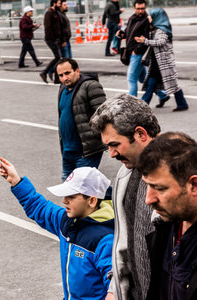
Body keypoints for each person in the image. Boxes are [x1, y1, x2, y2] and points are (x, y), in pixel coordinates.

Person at [0, 159, 114, 300]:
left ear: (92, 200)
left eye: (71, 196)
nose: (64, 200)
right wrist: (16, 181)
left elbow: (115, 284)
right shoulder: (66, 219)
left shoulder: (106, 239)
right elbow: (39, 207)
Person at [89, 94, 161, 300]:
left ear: (140, 134)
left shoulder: (181, 177)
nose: (111, 154)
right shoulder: (124, 175)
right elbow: (123, 246)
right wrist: (114, 289)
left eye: (115, 144)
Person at [137, 132, 197, 300]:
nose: (149, 200)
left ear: (194, 185)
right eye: (148, 186)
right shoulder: (167, 227)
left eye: (161, 188)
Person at [55, 58, 107, 182]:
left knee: (81, 187)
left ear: (77, 71)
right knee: (70, 187)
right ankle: (115, 196)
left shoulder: (91, 86)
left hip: (86, 151)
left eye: (67, 73)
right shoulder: (62, 88)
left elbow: (104, 115)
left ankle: (118, 196)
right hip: (67, 150)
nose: (64, 78)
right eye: (60, 75)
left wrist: (95, 138)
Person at [135, 8, 189, 112]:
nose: (148, 17)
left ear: (156, 16)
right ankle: (182, 103)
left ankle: (142, 108)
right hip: (157, 62)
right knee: (153, 84)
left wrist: (145, 41)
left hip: (164, 62)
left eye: (150, 16)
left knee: (171, 84)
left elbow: (160, 42)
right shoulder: (155, 28)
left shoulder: (162, 29)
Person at [119, 0, 168, 102]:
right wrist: (122, 33)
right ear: (134, 8)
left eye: (142, 9)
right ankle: (163, 95)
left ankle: (132, 104)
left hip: (137, 53)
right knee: (143, 79)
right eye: (138, 9)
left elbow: (147, 37)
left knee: (131, 78)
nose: (140, 11)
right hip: (131, 52)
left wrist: (136, 51)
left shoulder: (147, 20)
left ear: (145, 8)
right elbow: (129, 30)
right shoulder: (132, 18)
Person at [39, 0, 62, 84]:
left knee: (58, 58)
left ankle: (56, 78)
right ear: (54, 4)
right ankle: (44, 72)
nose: (60, 5)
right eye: (59, 3)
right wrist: (53, 38)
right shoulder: (49, 13)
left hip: (56, 39)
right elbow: (47, 26)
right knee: (57, 57)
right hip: (51, 39)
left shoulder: (55, 12)